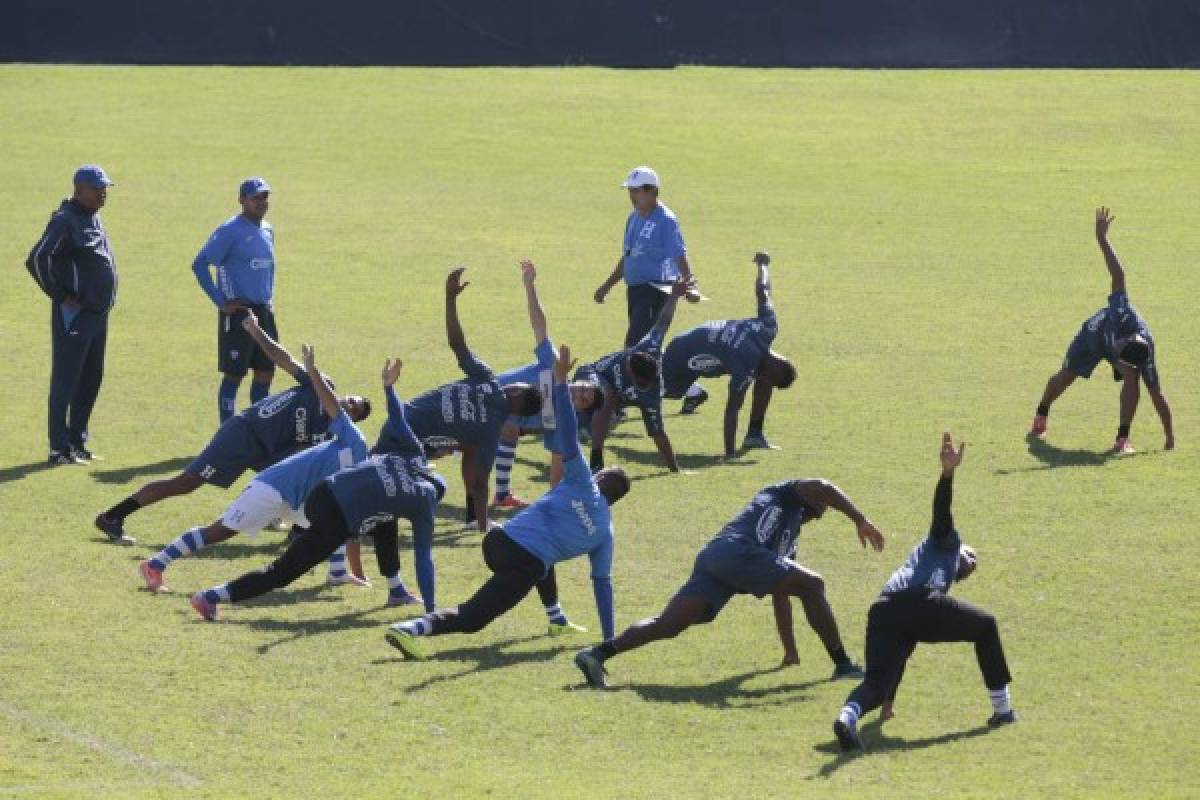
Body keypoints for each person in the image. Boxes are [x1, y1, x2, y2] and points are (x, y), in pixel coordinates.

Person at [384, 344, 631, 660]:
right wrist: (609, 638)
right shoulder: (604, 533)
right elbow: (602, 584)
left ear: (599, 479)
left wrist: (558, 382)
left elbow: (568, 431)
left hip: (497, 539)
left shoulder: (581, 481)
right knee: (474, 616)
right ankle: (410, 629)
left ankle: (556, 619)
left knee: (546, 553)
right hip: (523, 563)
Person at [138, 345, 404, 597]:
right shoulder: (354, 439)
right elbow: (330, 402)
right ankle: (155, 564)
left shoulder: (359, 468)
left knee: (331, 524)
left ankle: (336, 573)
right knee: (220, 531)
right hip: (273, 488)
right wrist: (312, 370)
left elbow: (348, 522)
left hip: (294, 497)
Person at [574, 477, 884, 689]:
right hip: (735, 551)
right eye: (821, 507)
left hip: (715, 558)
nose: (822, 512)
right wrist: (859, 519)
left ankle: (598, 654)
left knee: (668, 625)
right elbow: (824, 486)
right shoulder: (785, 493)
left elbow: (782, 594)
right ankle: (843, 664)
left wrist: (789, 651)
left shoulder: (788, 538)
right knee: (814, 584)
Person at [94, 311, 369, 545]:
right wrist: (255, 331)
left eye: (354, 410)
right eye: (352, 400)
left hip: (267, 450)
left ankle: (298, 533)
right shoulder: (321, 384)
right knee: (186, 483)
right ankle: (113, 516)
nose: (349, 405)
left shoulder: (331, 433)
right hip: (244, 433)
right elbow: (282, 358)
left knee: (304, 481)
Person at [190, 375, 446, 621]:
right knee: (283, 571)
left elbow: (399, 419)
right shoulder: (424, 501)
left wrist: (389, 388)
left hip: (324, 492)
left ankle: (394, 589)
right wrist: (432, 608)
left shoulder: (412, 456)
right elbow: (424, 558)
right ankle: (210, 597)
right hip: (337, 514)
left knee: (385, 524)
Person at [832, 434, 1016, 752]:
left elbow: (902, 649)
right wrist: (948, 474)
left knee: (875, 683)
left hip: (886, 609)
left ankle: (846, 720)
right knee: (986, 626)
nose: (973, 563)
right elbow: (941, 510)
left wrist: (889, 702)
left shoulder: (937, 572)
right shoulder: (944, 541)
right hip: (915, 602)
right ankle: (1003, 711)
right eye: (972, 556)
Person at [372, 268, 542, 532]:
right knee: (415, 487)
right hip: (408, 446)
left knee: (372, 477)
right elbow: (480, 483)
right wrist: (485, 525)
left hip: (400, 420)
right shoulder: (489, 433)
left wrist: (450, 298)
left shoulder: (487, 379)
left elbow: (456, 343)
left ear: (517, 392)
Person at [1030, 207, 1174, 455]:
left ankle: (1122, 438)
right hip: (1092, 336)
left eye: (1121, 357)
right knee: (1065, 377)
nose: (1117, 354)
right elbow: (1119, 274)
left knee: (1133, 378)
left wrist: (1170, 436)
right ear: (1126, 339)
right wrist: (1103, 240)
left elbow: (1157, 394)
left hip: (1118, 348)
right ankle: (1041, 413)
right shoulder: (1121, 310)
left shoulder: (1144, 352)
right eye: (1120, 351)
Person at [26, 165, 119, 465]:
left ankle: (77, 442)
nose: (102, 193)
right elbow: (38, 258)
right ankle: (57, 448)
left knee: (91, 378)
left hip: (98, 314)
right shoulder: (65, 221)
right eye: (97, 188)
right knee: (66, 380)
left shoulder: (92, 217)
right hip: (75, 316)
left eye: (104, 187)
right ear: (79, 190)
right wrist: (62, 296)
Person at [491, 260, 604, 509]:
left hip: (497, 420)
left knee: (509, 427)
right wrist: (530, 286)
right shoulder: (554, 366)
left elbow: (556, 467)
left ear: (579, 409)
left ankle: (501, 496)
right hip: (483, 393)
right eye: (583, 387)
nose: (579, 392)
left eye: (583, 399)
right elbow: (539, 325)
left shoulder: (564, 423)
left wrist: (553, 504)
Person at [661, 251, 797, 454]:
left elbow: (763, 291)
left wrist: (763, 266)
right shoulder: (745, 365)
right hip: (679, 354)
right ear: (768, 372)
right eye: (769, 378)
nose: (765, 380)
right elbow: (732, 409)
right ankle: (613, 399)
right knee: (661, 392)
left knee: (760, 380)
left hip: (693, 340)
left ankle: (754, 434)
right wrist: (729, 454)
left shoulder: (768, 327)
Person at [576, 277, 690, 473]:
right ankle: (596, 461)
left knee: (607, 402)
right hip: (593, 375)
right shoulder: (632, 359)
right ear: (629, 369)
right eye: (641, 383)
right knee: (606, 397)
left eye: (648, 384)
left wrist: (675, 469)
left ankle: (579, 425)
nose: (644, 388)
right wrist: (673, 296)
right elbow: (662, 321)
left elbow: (658, 433)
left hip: (615, 396)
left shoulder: (651, 388)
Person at [192, 177, 280, 422]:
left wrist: (269, 298)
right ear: (242, 200)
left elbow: (268, 268)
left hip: (263, 311)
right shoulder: (229, 231)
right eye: (255, 197)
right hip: (239, 313)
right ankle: (227, 432)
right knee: (234, 374)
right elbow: (200, 264)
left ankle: (258, 428)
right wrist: (221, 302)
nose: (261, 202)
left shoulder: (267, 230)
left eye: (265, 197)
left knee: (265, 371)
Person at [593, 166, 701, 347]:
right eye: (630, 191)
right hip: (636, 292)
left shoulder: (666, 220)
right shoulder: (633, 218)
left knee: (637, 347)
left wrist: (692, 286)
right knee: (640, 349)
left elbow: (679, 253)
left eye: (636, 191)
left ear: (653, 191)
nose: (632, 196)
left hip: (655, 291)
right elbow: (628, 256)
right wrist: (607, 286)